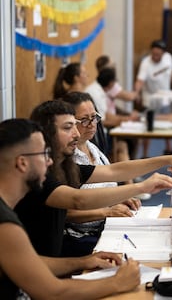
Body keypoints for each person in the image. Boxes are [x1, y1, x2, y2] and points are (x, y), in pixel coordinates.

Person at [14, 99, 172, 257]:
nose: (77, 134)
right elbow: (78, 200)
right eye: (68, 128)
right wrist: (140, 187)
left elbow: (114, 171)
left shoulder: (66, 166)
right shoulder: (41, 175)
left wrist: (168, 159)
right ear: (46, 134)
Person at [0, 118, 140, 299]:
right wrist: (118, 282)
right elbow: (54, 292)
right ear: (22, 163)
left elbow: (28, 262)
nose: (49, 162)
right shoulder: (5, 225)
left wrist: (83, 261)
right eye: (44, 154)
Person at [60, 92, 137, 256]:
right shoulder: (66, 160)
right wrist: (107, 211)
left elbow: (112, 174)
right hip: (82, 238)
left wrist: (119, 198)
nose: (92, 124)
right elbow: (65, 214)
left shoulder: (92, 147)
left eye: (94, 117)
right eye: (85, 120)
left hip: (107, 226)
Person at [134, 39, 172, 157]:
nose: (155, 57)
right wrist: (136, 93)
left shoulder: (168, 58)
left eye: (158, 55)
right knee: (148, 126)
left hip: (165, 97)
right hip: (150, 99)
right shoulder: (146, 63)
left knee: (168, 123)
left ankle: (169, 149)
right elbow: (140, 81)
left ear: (163, 53)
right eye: (153, 54)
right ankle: (145, 154)